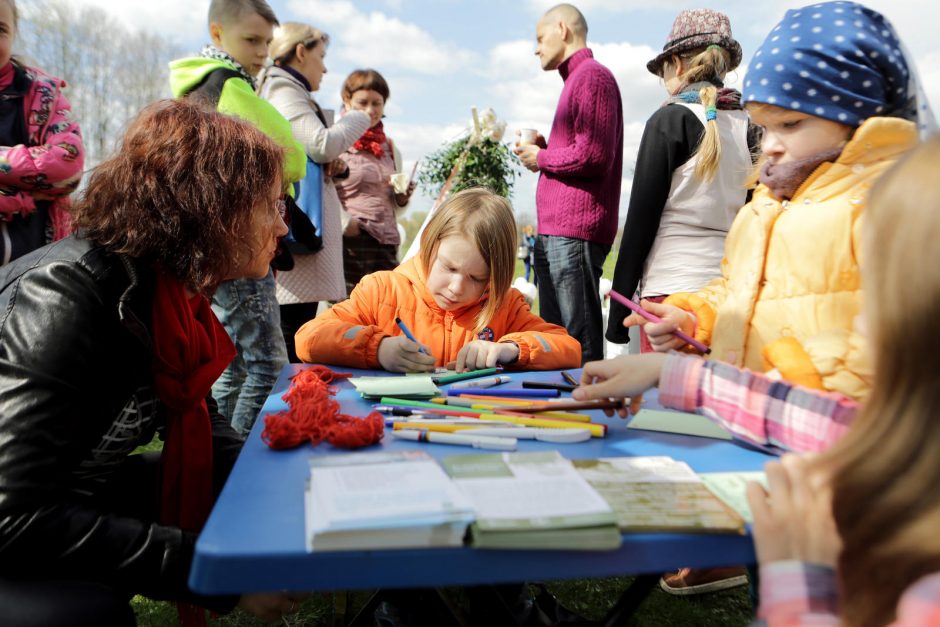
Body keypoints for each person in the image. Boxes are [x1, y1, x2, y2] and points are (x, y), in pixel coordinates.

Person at [575, 131, 940, 627]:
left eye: (877, 291)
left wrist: (798, 579)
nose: (856, 318)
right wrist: (670, 371)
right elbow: (833, 426)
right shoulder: (908, 442)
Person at [0, 99, 303, 626]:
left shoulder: (162, 294)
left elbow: (202, 430)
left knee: (209, 482)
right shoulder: (65, 296)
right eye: (273, 205)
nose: (283, 228)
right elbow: (12, 516)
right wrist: (213, 571)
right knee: (85, 614)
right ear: (212, 207)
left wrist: (288, 494)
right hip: (17, 517)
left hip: (64, 490)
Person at [627, 1, 926, 403]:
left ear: (860, 118)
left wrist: (786, 381)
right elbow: (739, 289)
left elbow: (885, 357)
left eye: (790, 124)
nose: (768, 145)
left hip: (819, 434)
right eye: (764, 126)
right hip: (762, 423)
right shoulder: (765, 204)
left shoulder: (883, 211)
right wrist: (694, 316)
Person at [169, 0, 306, 435]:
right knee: (268, 365)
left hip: (214, 243)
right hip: (240, 240)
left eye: (266, 41)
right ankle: (240, 466)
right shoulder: (228, 88)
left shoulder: (199, 88)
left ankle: (215, 454)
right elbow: (287, 151)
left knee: (231, 363)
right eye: (251, 40)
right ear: (216, 34)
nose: (262, 50)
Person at [295, 188, 581, 372]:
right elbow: (308, 338)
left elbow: (569, 349)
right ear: (430, 243)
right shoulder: (382, 290)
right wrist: (378, 349)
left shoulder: (505, 306)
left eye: (477, 278)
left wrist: (509, 349)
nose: (457, 288)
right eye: (449, 268)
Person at [607, 9, 755, 353]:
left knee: (665, 402)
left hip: (669, 294)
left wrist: (617, 314)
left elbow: (640, 225)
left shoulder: (668, 121)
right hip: (724, 297)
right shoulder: (751, 125)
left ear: (676, 63)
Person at [513, 3, 623, 365]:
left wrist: (541, 159)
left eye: (540, 38)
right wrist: (547, 150)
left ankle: (590, 413)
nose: (536, 48)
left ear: (562, 28)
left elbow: (593, 155)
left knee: (578, 341)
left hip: (574, 232)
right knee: (556, 339)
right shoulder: (578, 80)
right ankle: (560, 415)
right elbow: (582, 150)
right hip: (557, 232)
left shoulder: (592, 77)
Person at [258, 22, 371, 363]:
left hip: (299, 231)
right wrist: (360, 117)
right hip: (297, 236)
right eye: (321, 56)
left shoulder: (288, 91)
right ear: (301, 52)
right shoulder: (284, 91)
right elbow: (322, 144)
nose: (324, 66)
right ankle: (288, 409)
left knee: (296, 325)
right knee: (292, 332)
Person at [0, 0, 83, 267]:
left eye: (0, 29)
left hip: (33, 273)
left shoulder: (41, 94)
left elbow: (68, 163)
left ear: (14, 34)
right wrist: (21, 197)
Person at [335, 68, 416, 295]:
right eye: (363, 102)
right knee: (350, 313)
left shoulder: (390, 147)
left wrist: (402, 198)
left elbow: (393, 205)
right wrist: (346, 224)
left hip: (386, 242)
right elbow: (325, 191)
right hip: (351, 244)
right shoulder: (336, 141)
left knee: (387, 311)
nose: (370, 110)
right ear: (347, 100)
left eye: (377, 103)